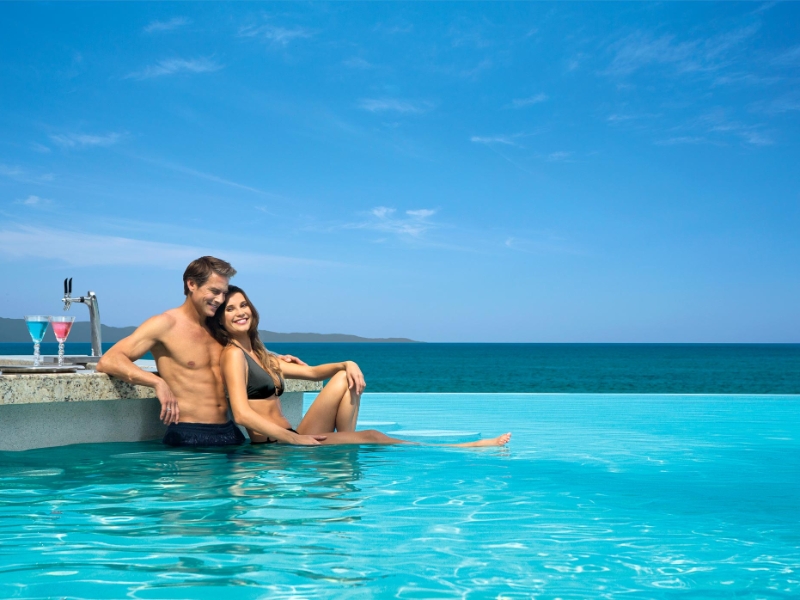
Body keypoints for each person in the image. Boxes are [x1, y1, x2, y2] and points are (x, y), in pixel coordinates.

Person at [211, 286, 512, 447]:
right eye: (230, 309)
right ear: (221, 320)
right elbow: (241, 413)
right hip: (276, 447)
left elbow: (314, 373)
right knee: (374, 436)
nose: (240, 312)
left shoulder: (261, 355)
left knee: (344, 377)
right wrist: (294, 439)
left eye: (243, 304)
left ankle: (344, 443)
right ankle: (460, 448)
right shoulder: (233, 355)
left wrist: (348, 362)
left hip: (291, 436)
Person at [96, 256, 306, 447]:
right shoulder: (164, 324)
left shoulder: (217, 326)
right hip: (190, 434)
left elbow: (243, 352)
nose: (220, 300)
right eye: (214, 291)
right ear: (192, 284)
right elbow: (109, 360)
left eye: (223, 293)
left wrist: (273, 358)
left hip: (230, 432)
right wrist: (157, 382)